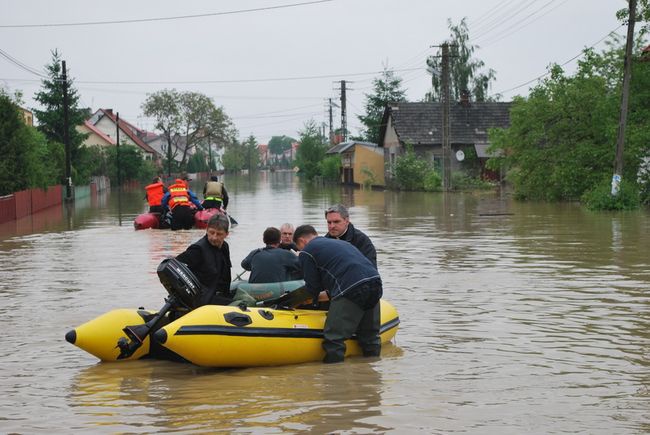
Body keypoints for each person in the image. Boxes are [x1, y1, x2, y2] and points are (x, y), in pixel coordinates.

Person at [293, 224, 382, 363]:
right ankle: (374, 373)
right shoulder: (338, 243)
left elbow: (313, 287)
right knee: (370, 336)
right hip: (375, 283)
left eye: (299, 248)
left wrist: (300, 301)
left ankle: (335, 378)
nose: (300, 251)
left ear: (301, 241)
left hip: (351, 288)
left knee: (334, 339)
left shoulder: (307, 251)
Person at [175, 213, 232, 306]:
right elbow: (177, 266)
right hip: (204, 300)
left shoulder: (225, 247)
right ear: (206, 230)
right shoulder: (197, 249)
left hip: (221, 295)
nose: (214, 237)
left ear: (227, 234)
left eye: (219, 234)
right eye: (211, 232)